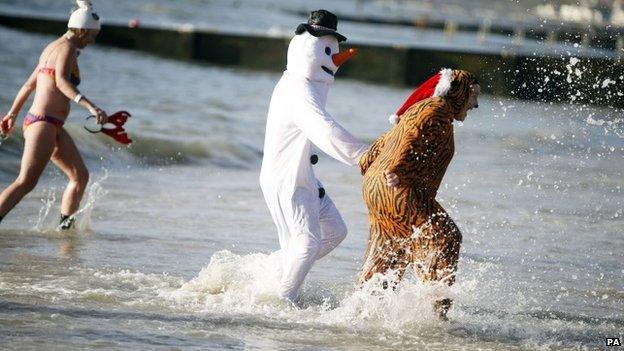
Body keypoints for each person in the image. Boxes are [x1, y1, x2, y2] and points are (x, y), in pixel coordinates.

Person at [259, 10, 367, 302]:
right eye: (327, 50)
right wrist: (364, 156)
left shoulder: (307, 85)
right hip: (286, 179)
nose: (334, 58)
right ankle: (282, 300)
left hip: (304, 176)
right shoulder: (298, 89)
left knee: (335, 230)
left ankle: (274, 268)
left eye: (335, 50)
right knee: (307, 244)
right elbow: (324, 129)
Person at [358, 69, 480, 319]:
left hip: (379, 188)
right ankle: (435, 318)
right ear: (457, 92)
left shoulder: (420, 108)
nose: (475, 104)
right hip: (399, 188)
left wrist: (376, 170)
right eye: (472, 96)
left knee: (391, 249)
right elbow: (413, 133)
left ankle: (361, 312)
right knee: (446, 237)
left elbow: (378, 147)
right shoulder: (436, 109)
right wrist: (397, 170)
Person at [0, 0, 107, 229]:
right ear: (82, 30)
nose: (92, 40)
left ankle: (65, 230)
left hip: (51, 125)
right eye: (91, 35)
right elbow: (60, 82)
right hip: (42, 124)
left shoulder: (53, 47)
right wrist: (90, 106)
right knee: (25, 182)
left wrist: (12, 114)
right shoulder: (66, 48)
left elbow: (29, 85)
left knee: (80, 176)